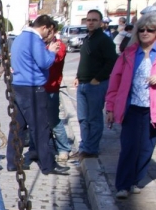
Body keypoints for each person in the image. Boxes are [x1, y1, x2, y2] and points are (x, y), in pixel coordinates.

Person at [105, 12, 156, 198]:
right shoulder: (129, 53)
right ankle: (123, 185)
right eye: (142, 29)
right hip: (132, 107)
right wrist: (111, 107)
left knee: (146, 148)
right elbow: (115, 80)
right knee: (129, 146)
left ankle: (137, 179)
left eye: (150, 30)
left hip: (155, 109)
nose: (145, 33)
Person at [8, 15, 69, 175]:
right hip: (32, 88)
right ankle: (48, 164)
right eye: (49, 31)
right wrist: (51, 52)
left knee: (18, 126)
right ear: (45, 27)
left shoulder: (20, 38)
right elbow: (45, 62)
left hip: (18, 86)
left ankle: (13, 161)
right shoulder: (34, 40)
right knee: (40, 128)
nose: (49, 35)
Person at [74, 10, 118, 158]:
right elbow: (84, 60)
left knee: (94, 118)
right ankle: (84, 146)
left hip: (96, 85)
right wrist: (77, 76)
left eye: (94, 20)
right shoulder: (87, 39)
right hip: (82, 84)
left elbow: (111, 61)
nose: (91, 22)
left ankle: (91, 149)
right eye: (88, 20)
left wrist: (98, 78)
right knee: (83, 118)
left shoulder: (104, 40)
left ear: (100, 22)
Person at [44, 21, 73, 165]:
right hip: (39, 88)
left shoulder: (59, 45)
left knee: (53, 120)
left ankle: (64, 148)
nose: (47, 35)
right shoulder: (42, 44)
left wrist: (49, 51)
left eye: (50, 32)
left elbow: (55, 60)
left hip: (51, 88)